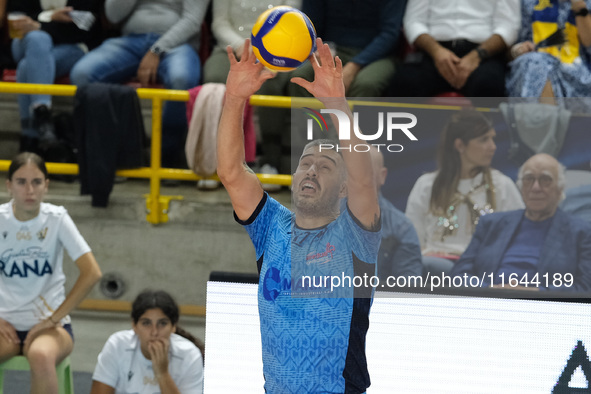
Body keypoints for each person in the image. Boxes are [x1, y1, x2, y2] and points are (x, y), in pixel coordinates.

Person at [217, 37, 381, 392]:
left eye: (325, 166)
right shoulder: (270, 226)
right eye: (305, 163)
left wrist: (337, 104)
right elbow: (231, 172)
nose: (310, 170)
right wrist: (234, 97)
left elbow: (364, 180)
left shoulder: (356, 235)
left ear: (342, 188)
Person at [257, 0, 406, 178]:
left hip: (376, 55)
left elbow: (390, 34)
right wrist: (314, 49)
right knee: (301, 78)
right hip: (331, 49)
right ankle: (314, 160)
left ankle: (351, 167)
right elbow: (309, 25)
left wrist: (355, 65)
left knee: (367, 84)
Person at [0, 152, 102, 394]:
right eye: (21, 182)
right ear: (9, 186)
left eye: (36, 182)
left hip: (50, 329)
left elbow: (92, 273)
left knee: (41, 355)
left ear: (46, 185)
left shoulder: (57, 219)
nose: (29, 190)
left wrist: (54, 319)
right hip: (4, 326)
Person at [69, 0, 209, 168]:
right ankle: (117, 151)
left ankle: (167, 154)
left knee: (182, 78)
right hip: (131, 41)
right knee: (82, 74)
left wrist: (157, 50)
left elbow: (192, 21)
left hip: (176, 44)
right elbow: (113, 15)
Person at [405, 109, 524, 277]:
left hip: (481, 270)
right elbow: (412, 239)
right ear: (460, 145)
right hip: (434, 268)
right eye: (484, 140)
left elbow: (517, 236)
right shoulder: (427, 185)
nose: (493, 147)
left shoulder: (502, 185)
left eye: (493, 138)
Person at [451, 153, 591, 292]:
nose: (535, 187)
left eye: (545, 179)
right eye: (529, 179)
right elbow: (458, 276)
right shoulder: (491, 224)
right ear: (521, 187)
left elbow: (586, 287)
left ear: (560, 188)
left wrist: (537, 293)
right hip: (489, 302)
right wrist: (490, 289)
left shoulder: (581, 233)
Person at [7, 0, 102, 154]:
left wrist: (40, 25)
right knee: (38, 39)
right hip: (25, 41)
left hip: (71, 46)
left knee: (27, 66)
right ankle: (43, 115)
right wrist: (49, 16)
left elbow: (84, 28)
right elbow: (17, 19)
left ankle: (29, 140)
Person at [389, 0, 520, 97]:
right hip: (434, 50)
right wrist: (437, 52)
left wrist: (476, 56)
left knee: (488, 85)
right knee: (403, 83)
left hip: (484, 53)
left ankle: (483, 134)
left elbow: (508, 26)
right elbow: (413, 21)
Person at [91, 290, 204, 394]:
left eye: (162, 323)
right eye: (146, 323)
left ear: (173, 327)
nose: (154, 332)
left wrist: (162, 374)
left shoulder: (189, 355)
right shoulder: (117, 345)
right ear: (134, 326)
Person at [506, 0, 591, 102]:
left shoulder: (587, 4)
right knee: (537, 65)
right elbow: (512, 49)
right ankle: (545, 115)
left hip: (577, 73)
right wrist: (519, 49)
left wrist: (580, 8)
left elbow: (589, 45)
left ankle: (541, 116)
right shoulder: (529, 3)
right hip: (535, 67)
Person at [202, 0, 301, 84]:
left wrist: (267, 52)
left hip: (275, 50)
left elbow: (290, 23)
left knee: (267, 82)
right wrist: (239, 45)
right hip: (230, 47)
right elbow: (220, 24)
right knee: (214, 78)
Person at [369, 147, 423, 282]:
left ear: (382, 176)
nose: (354, 176)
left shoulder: (401, 228)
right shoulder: (322, 217)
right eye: (348, 169)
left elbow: (407, 293)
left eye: (364, 169)